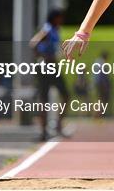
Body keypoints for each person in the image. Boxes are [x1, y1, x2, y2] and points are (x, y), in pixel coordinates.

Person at [29, 9, 70, 141]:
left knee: (64, 96)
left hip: (52, 66)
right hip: (46, 66)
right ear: (54, 18)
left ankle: (56, 127)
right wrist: (43, 57)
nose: (62, 20)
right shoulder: (47, 29)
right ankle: (44, 132)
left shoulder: (55, 30)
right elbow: (33, 43)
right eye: (60, 18)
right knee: (45, 99)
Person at [93, 50, 111, 118]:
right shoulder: (102, 63)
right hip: (101, 83)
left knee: (98, 98)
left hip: (97, 82)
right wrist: (105, 85)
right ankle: (98, 113)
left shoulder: (97, 61)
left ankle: (97, 113)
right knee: (101, 99)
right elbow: (102, 75)